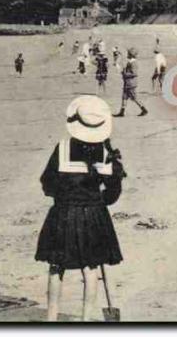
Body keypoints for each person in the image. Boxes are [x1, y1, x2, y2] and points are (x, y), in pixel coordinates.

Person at [35, 96, 126, 321]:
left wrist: (64, 195)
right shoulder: (108, 154)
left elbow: (47, 182)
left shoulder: (63, 147)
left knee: (57, 265)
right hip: (94, 214)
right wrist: (98, 200)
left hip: (63, 213)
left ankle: (51, 317)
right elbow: (113, 192)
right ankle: (86, 320)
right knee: (91, 266)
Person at [114, 48, 148, 117]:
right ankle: (122, 112)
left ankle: (144, 109)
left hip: (131, 83)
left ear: (131, 55)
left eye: (128, 53)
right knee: (124, 97)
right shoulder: (131, 62)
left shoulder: (134, 63)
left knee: (134, 98)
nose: (127, 54)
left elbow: (134, 73)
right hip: (128, 83)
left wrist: (125, 74)